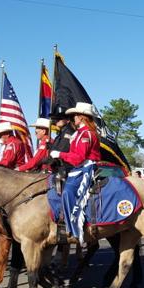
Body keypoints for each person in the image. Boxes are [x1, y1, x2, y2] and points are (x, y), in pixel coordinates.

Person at [48, 102, 101, 240]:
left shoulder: (86, 134)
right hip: (78, 167)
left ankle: (74, 229)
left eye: (76, 115)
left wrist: (60, 154)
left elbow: (79, 158)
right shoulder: (79, 133)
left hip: (86, 167)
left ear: (83, 117)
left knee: (68, 191)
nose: (74, 118)